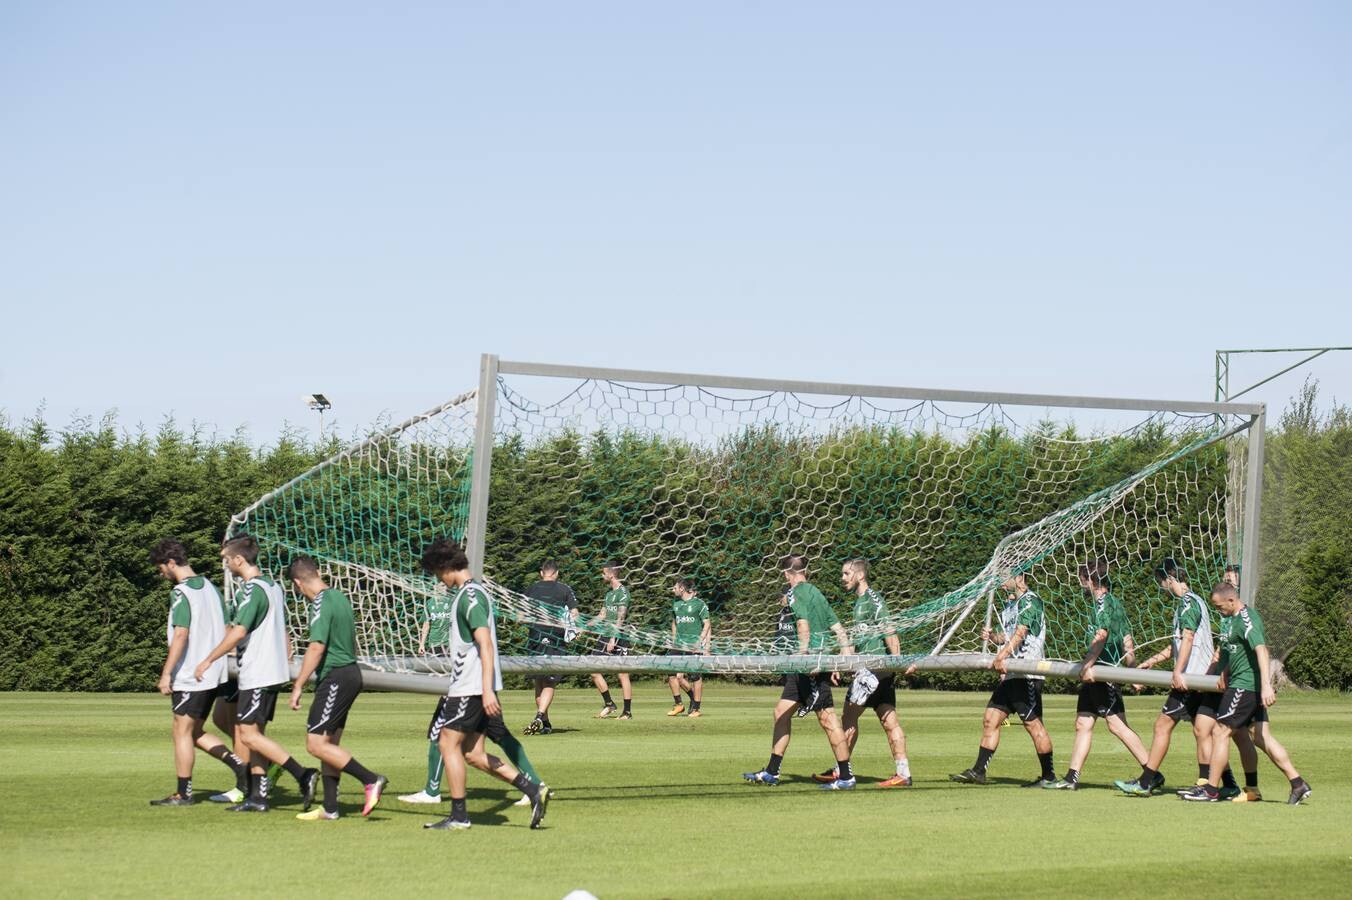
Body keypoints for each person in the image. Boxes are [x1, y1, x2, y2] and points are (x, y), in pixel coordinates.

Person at [418, 539, 548, 830]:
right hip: (473, 686)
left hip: (470, 688)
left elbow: (485, 644)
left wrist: (487, 688)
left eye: (438, 573)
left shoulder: (471, 596)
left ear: (446, 566)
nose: (439, 579)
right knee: (473, 755)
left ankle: (459, 816)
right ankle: (533, 790)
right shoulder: (469, 594)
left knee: (446, 743)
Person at [194, 534, 318, 812]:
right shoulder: (273, 586)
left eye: (226, 560)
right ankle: (258, 797)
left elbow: (239, 631)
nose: (226, 565)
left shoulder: (252, 590)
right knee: (255, 735)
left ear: (238, 559)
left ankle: (302, 774)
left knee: (248, 736)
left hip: (258, 672)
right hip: (270, 671)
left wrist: (208, 659)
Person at [1114, 558, 1239, 798]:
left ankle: (1146, 781)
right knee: (1202, 731)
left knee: (1163, 725)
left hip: (1191, 680)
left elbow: (1189, 638)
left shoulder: (1187, 603)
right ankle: (1225, 783)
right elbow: (1177, 646)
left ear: (1169, 579)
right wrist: (1150, 662)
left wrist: (1178, 672)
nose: (1161, 587)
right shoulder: (1193, 602)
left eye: (1160, 582)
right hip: (1198, 678)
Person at [1181, 581, 1311, 804]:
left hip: (1246, 686)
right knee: (1259, 737)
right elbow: (1237, 650)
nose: (1218, 611)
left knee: (1220, 732)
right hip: (1241, 683)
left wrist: (1267, 685)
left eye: (1220, 607)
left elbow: (1261, 650)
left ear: (1232, 600)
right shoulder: (1231, 619)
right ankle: (1296, 784)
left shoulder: (1247, 620)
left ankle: (1211, 789)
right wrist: (1226, 671)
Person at [743, 555, 857, 790]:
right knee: (780, 713)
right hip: (810, 666)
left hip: (810, 668)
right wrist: (843, 662)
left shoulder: (794, 593)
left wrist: (803, 656)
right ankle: (772, 772)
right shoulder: (816, 592)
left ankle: (846, 776)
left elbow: (803, 624)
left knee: (828, 719)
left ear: (787, 573)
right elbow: (839, 630)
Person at [286, 556, 387, 821]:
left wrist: (298, 685)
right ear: (317, 572)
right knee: (330, 744)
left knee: (315, 744)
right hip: (350, 674)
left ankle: (370, 780)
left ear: (298, 583)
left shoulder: (319, 603)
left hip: (336, 676)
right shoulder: (340, 597)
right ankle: (330, 808)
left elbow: (317, 646)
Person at [148, 539, 247, 806]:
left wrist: (166, 673)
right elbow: (226, 627)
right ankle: (241, 768)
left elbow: (181, 634)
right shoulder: (211, 588)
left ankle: (183, 793)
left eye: (161, 568)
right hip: (212, 674)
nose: (161, 574)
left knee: (181, 732)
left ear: (171, 563)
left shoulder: (181, 592)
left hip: (190, 674)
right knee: (195, 732)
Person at [1045, 563, 1149, 790]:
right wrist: (1133, 672)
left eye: (1081, 577)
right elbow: (1127, 640)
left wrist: (1087, 664)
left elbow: (1102, 636)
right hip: (1096, 674)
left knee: (1117, 726)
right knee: (1083, 723)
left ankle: (1151, 772)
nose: (1079, 582)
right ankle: (1072, 778)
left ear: (1089, 580)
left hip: (1102, 673)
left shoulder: (1104, 604)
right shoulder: (1115, 603)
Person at [950, 572, 1054, 787]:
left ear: (1020, 577)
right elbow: (1007, 637)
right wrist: (993, 638)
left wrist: (1002, 655)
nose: (1001, 582)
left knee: (1034, 726)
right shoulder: (1010, 606)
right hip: (1011, 675)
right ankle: (979, 771)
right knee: (991, 719)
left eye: (1005, 577)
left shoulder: (1031, 601)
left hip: (1027, 675)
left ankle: (1048, 776)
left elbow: (1021, 632)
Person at [813, 559, 911, 788]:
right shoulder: (859, 602)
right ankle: (903, 774)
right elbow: (857, 640)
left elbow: (889, 630)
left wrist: (898, 661)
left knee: (848, 717)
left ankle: (842, 772)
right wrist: (841, 664)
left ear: (860, 575)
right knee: (889, 720)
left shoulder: (873, 600)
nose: (843, 578)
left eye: (846, 573)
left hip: (873, 671)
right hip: (878, 671)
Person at [523, 561, 579, 735]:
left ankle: (545, 723)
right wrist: (574, 630)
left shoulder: (531, 589)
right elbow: (574, 614)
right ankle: (540, 716)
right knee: (550, 680)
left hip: (535, 637)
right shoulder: (564, 589)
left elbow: (521, 613)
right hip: (554, 638)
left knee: (538, 681)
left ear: (542, 573)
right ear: (556, 573)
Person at [590, 562, 633, 719]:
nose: (602, 576)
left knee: (622, 674)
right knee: (593, 670)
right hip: (605, 635)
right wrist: (583, 626)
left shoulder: (623, 593)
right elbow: (602, 615)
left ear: (611, 574)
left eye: (603, 573)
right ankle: (610, 704)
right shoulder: (609, 594)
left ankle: (627, 712)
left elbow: (621, 616)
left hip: (619, 637)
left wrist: (614, 637)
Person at [668, 578, 710, 717]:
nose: (672, 589)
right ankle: (679, 704)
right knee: (672, 674)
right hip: (679, 644)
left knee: (695, 676)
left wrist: (703, 643)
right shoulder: (676, 603)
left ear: (682, 588)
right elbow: (674, 622)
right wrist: (674, 641)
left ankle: (696, 708)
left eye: (675, 587)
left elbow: (707, 623)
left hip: (694, 646)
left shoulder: (699, 604)